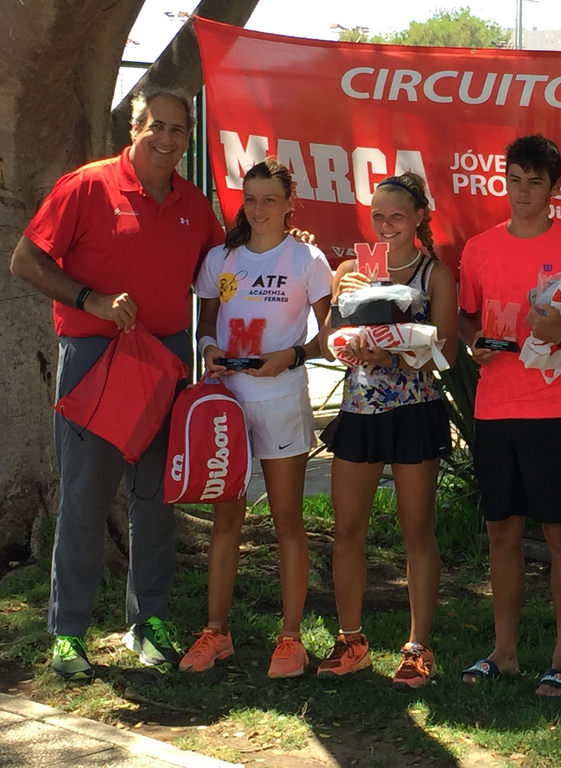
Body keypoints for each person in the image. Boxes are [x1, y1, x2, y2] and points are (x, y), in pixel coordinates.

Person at [9, 88, 225, 680]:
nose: (169, 138)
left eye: (180, 130)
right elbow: (25, 261)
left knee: (155, 499)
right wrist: (92, 300)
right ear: (133, 128)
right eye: (158, 125)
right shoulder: (87, 185)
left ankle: (147, 621)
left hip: (167, 363)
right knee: (83, 500)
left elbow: (223, 273)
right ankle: (69, 633)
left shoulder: (192, 203)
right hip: (96, 359)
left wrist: (294, 252)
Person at [457, 134, 561, 698]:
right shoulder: (478, 248)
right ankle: (505, 651)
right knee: (502, 533)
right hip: (494, 410)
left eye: (535, 183)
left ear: (554, 188)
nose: (523, 192)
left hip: (556, 411)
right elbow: (467, 318)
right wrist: (474, 342)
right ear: (504, 179)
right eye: (515, 180)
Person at [177, 158, 332, 678]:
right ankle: (215, 632)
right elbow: (206, 315)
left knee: (288, 521)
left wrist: (292, 355)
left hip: (283, 401)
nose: (259, 209)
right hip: (227, 403)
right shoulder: (222, 256)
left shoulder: (307, 258)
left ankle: (291, 639)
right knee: (227, 520)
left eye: (271, 199)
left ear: (290, 204)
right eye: (251, 199)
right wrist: (208, 346)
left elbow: (328, 335)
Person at [315, 172, 457, 690]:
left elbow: (448, 352)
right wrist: (343, 315)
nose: (386, 225)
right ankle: (350, 641)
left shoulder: (434, 274)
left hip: (413, 410)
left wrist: (393, 352)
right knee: (347, 530)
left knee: (416, 530)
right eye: (378, 216)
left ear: (419, 216)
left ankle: (419, 649)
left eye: (397, 215)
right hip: (359, 411)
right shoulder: (352, 269)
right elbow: (330, 338)